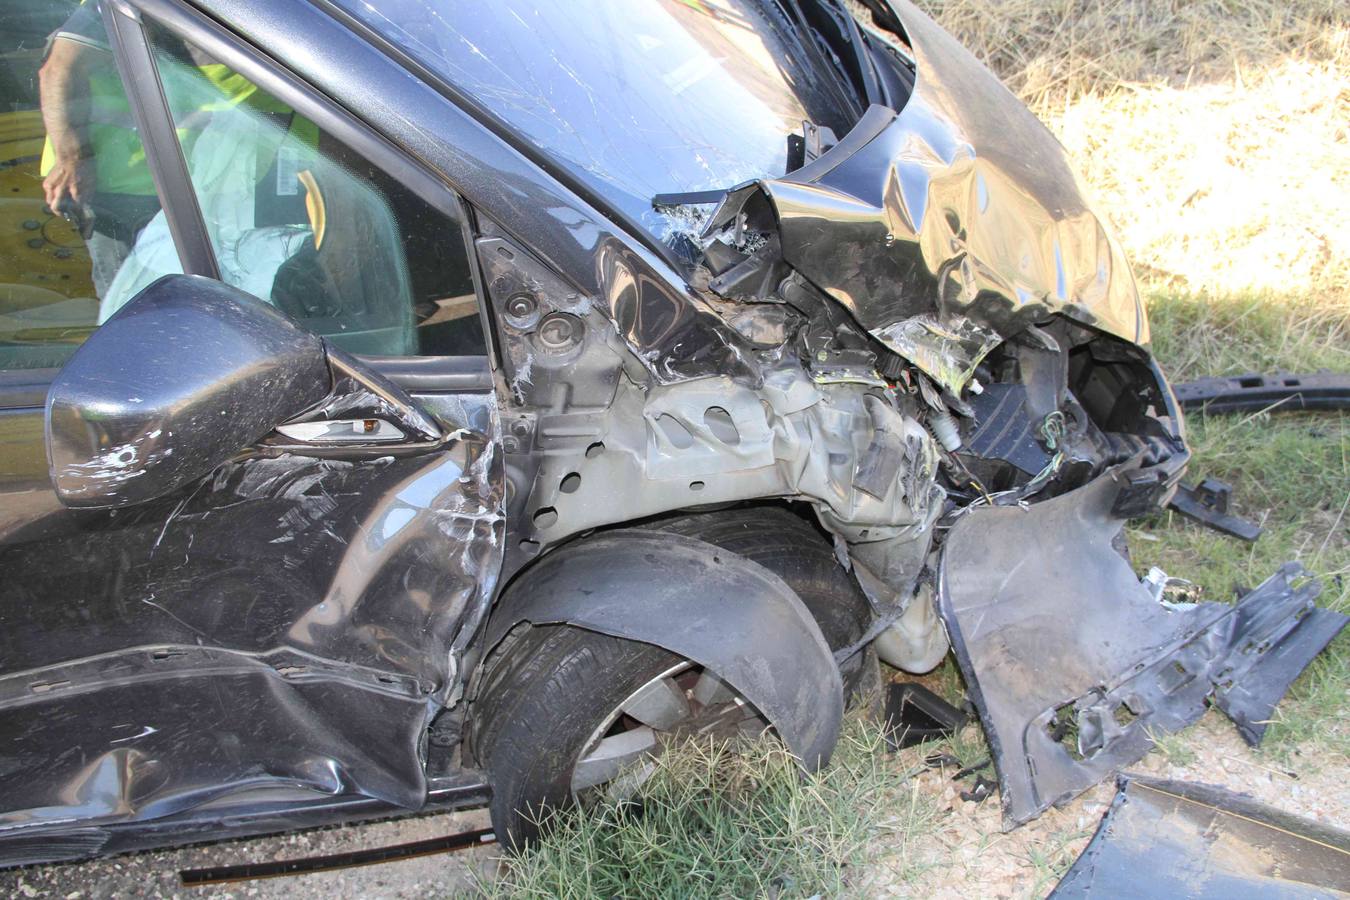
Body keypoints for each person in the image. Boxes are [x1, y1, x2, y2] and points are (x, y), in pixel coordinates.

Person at [38, 1, 161, 298]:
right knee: (137, 310)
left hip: (211, 180)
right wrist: (72, 160)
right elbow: (58, 70)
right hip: (127, 189)